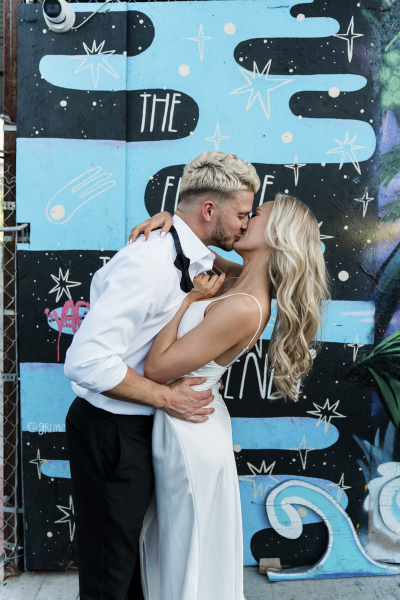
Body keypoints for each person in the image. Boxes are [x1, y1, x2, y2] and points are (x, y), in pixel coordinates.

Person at [63, 150, 259, 600]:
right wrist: (168, 398)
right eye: (242, 214)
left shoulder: (197, 256)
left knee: (137, 569)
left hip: (146, 429)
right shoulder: (149, 263)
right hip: (112, 431)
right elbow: (85, 360)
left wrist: (174, 216)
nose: (245, 225)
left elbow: (251, 272)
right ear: (210, 210)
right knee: (109, 578)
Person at [129, 192, 330, 600]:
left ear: (276, 234)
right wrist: (173, 217)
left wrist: (188, 301)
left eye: (254, 215)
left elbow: (157, 368)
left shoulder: (245, 306)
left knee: (188, 551)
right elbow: (192, 242)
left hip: (189, 435)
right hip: (186, 421)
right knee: (176, 546)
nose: (243, 220)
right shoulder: (238, 278)